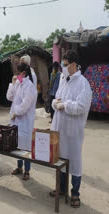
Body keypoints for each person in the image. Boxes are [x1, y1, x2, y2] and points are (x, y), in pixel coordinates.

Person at [49, 50, 92, 208]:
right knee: (59, 159)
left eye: (65, 65)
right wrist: (55, 104)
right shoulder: (62, 79)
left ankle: (75, 193)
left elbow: (81, 106)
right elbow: (56, 99)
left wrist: (64, 105)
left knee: (74, 162)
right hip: (59, 128)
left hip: (73, 132)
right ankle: (61, 189)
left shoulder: (83, 83)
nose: (63, 68)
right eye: (62, 65)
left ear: (74, 64)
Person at [7, 63, 37, 181]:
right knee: (17, 146)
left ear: (23, 73)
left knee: (26, 148)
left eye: (18, 72)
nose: (17, 75)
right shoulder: (19, 83)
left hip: (25, 122)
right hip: (16, 121)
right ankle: (19, 168)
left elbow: (25, 105)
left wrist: (16, 112)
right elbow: (9, 97)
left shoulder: (29, 86)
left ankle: (27, 171)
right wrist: (13, 83)